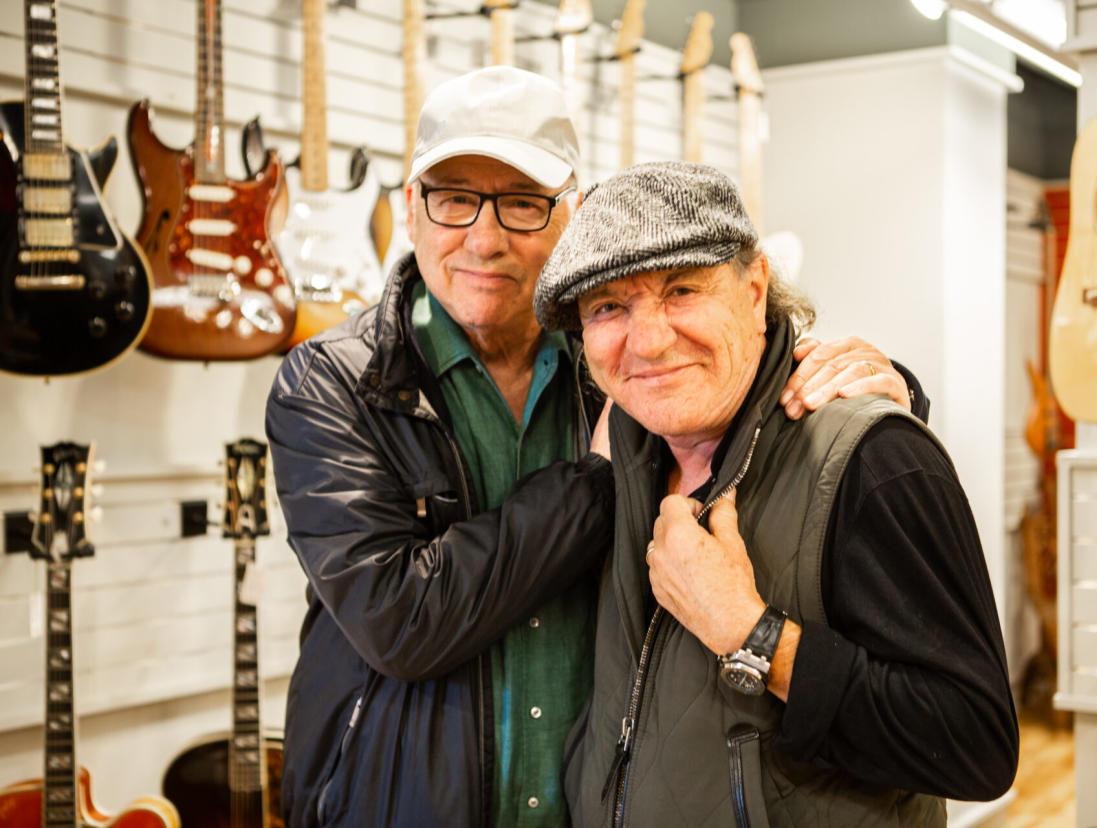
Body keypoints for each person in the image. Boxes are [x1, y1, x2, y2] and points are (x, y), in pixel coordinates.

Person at [266, 67, 925, 827]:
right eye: (453, 200)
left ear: (570, 217)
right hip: (399, 804)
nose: (484, 238)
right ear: (410, 211)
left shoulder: (624, 356)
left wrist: (874, 388)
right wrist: (592, 483)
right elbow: (401, 618)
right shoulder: (331, 383)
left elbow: (749, 370)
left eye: (521, 204)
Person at [534, 161, 1019, 827]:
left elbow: (976, 746)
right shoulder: (629, 444)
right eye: (608, 307)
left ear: (755, 289)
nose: (646, 340)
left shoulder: (874, 459)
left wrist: (752, 634)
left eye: (681, 290)